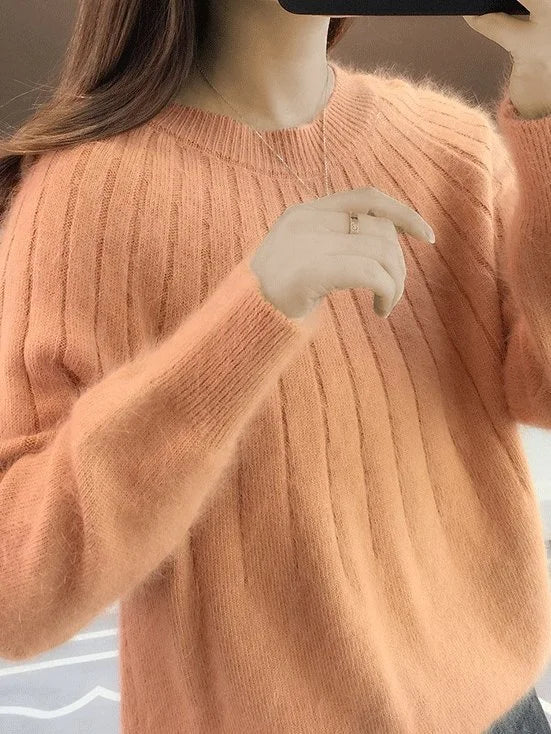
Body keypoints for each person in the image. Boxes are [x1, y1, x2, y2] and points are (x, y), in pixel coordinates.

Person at [0, 0, 550, 732]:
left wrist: (545, 92)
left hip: (504, 709)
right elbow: (18, 595)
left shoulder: (454, 148)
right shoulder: (84, 198)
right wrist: (249, 321)